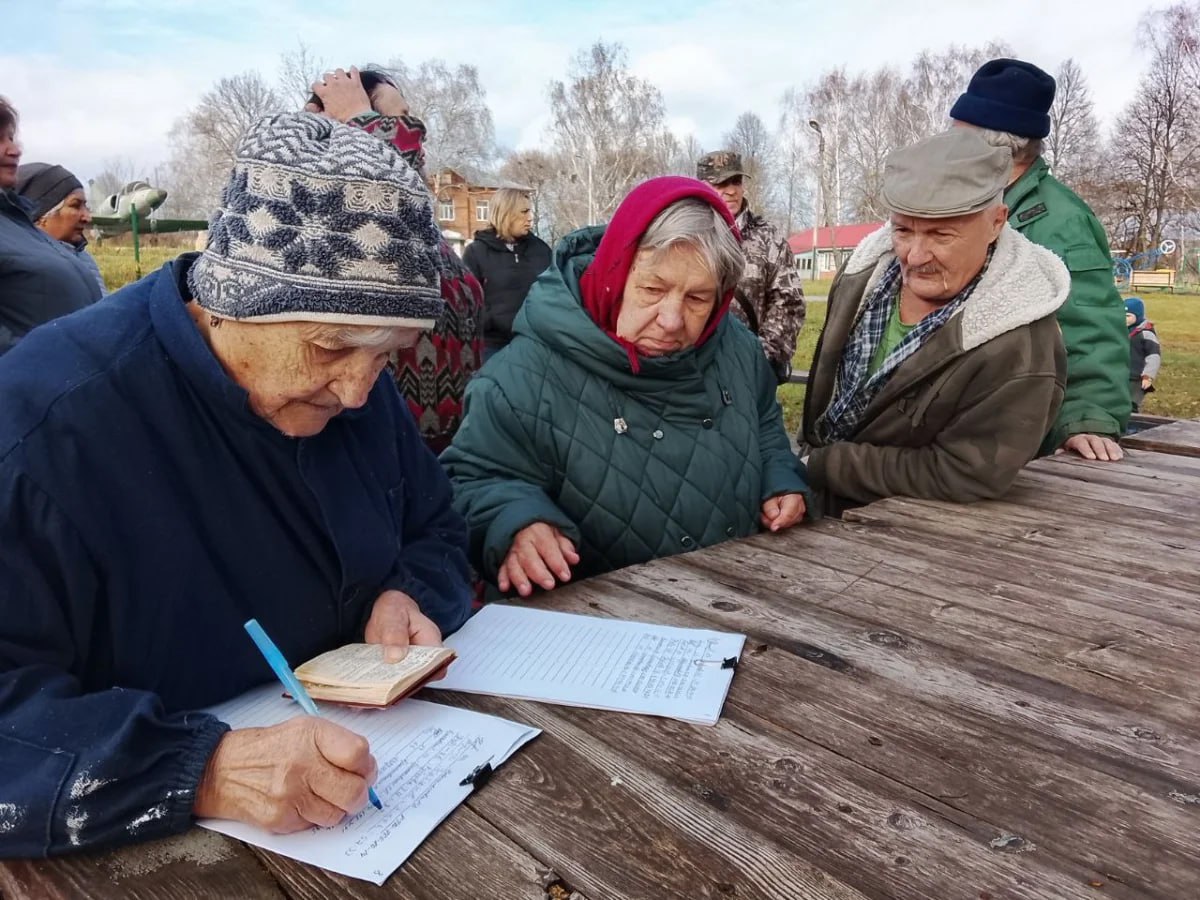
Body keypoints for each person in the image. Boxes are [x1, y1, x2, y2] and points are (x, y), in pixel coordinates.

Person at [0, 113, 473, 857]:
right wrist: (201, 768)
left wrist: (408, 591)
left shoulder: (353, 385)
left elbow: (438, 526)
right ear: (230, 304)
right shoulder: (51, 426)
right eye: (330, 348)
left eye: (388, 356)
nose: (357, 393)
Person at [442, 176, 810, 599]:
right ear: (615, 272)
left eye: (697, 299)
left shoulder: (737, 348)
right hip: (596, 631)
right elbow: (472, 481)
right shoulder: (517, 378)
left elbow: (764, 425)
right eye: (653, 289)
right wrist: (516, 523)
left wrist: (780, 478)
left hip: (740, 602)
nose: (672, 319)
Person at [798, 129, 1068, 511]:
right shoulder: (863, 273)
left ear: (996, 221)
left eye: (942, 234)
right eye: (903, 231)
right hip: (807, 508)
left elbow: (967, 471)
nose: (915, 256)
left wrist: (827, 465)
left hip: (906, 540)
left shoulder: (1021, 342)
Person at [951, 58, 1131, 462]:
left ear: (994, 143)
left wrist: (1088, 418)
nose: (949, 146)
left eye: (958, 136)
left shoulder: (1058, 222)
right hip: (975, 426)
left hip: (1028, 441)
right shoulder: (980, 203)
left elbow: (1091, 326)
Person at [308, 66, 484, 453]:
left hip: (456, 443)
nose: (414, 133)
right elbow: (384, 215)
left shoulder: (425, 224)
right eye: (396, 121)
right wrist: (358, 122)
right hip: (381, 446)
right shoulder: (340, 211)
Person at [0, 97, 103, 355]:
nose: (14, 150)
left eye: (11, 138)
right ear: (45, 213)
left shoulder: (16, 224)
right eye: (0, 139)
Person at [696, 150, 805, 382]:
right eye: (721, 183)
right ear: (702, 187)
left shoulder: (768, 238)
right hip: (693, 369)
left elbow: (789, 303)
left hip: (748, 370)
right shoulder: (687, 235)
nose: (732, 190)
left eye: (736, 181)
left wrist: (760, 358)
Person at [462, 188, 552, 360]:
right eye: (524, 211)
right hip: (493, 347)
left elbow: (553, 292)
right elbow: (468, 301)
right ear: (506, 213)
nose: (530, 217)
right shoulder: (476, 252)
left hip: (535, 344)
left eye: (530, 211)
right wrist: (491, 322)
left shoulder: (541, 250)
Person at [16, 162, 106, 296]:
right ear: (41, 216)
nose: (87, 217)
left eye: (85, 206)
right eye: (75, 206)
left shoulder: (83, 257)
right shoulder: (20, 268)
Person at [1125, 297, 1161, 412]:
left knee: (1132, 404)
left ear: (1138, 316)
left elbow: (1154, 356)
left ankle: (1133, 427)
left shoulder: (1145, 334)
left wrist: (1148, 376)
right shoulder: (1121, 331)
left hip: (1138, 378)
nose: (1124, 319)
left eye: (1128, 316)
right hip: (1121, 375)